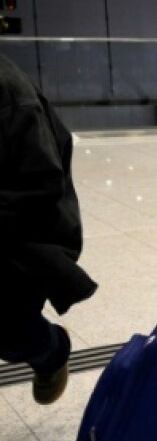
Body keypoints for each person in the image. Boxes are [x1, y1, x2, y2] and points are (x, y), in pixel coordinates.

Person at [0, 53, 93, 405]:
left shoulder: (10, 93)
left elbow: (39, 188)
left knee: (12, 333)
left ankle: (52, 350)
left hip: (26, 236)